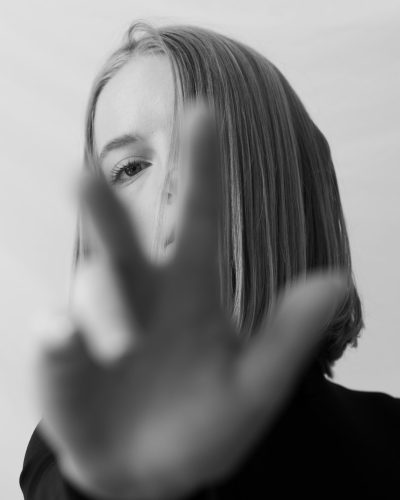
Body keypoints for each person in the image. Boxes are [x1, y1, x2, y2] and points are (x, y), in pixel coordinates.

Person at [19, 21, 400, 500]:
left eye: (209, 150)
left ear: (287, 189)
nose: (173, 189)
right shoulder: (70, 448)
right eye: (130, 168)